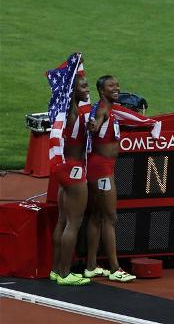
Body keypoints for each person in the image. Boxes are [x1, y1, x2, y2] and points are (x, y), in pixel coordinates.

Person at [85, 75, 160, 281]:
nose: (117, 88)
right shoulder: (102, 110)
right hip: (101, 170)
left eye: (117, 85)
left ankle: (91, 266)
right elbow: (96, 124)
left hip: (100, 167)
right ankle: (115, 268)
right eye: (111, 86)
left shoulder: (111, 109)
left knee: (97, 217)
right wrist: (94, 126)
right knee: (110, 218)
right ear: (102, 91)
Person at [50, 75, 91, 286]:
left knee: (63, 221)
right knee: (73, 223)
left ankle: (56, 270)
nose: (87, 88)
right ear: (73, 90)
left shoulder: (64, 111)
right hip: (75, 169)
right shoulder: (78, 115)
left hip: (64, 167)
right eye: (83, 86)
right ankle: (66, 274)